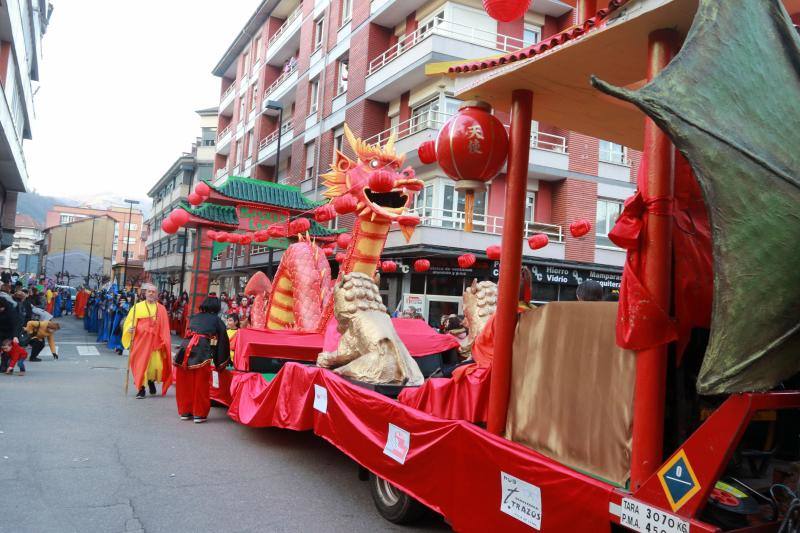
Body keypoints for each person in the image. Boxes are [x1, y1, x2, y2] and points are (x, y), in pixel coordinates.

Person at [173, 297, 230, 423]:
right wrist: (220, 362)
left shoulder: (194, 317)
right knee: (201, 383)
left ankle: (185, 411)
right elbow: (222, 343)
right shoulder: (217, 320)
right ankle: (199, 413)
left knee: (185, 382)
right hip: (201, 350)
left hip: (185, 348)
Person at [122, 283, 173, 399]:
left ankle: (150, 381)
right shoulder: (137, 307)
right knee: (140, 365)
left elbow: (165, 327)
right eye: (149, 291)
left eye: (153, 292)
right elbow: (130, 322)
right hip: (140, 342)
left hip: (155, 343)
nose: (151, 294)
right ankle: (141, 389)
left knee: (154, 366)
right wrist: (130, 328)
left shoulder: (161, 309)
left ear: (157, 295)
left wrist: (165, 341)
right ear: (145, 293)